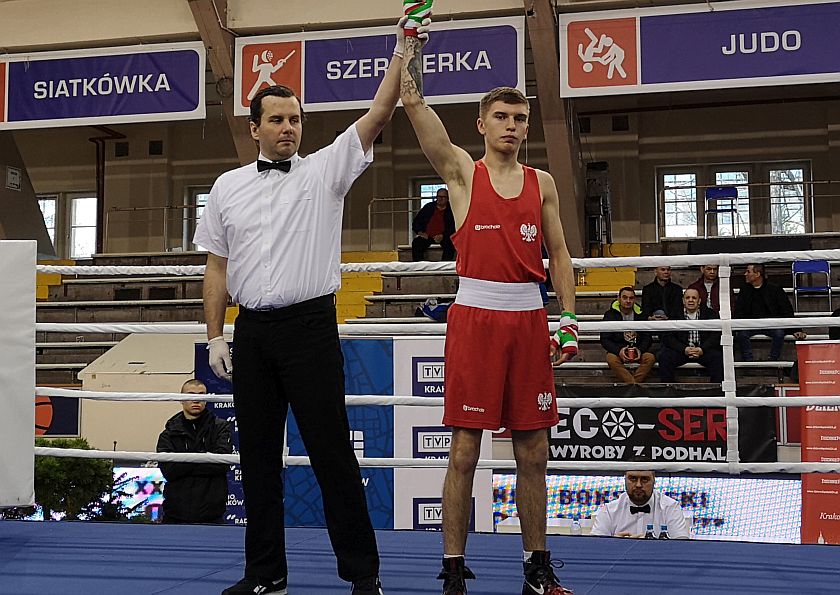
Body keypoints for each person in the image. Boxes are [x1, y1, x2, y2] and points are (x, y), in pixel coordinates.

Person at [194, 17, 429, 595]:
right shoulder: (226, 187)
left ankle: (363, 574)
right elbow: (217, 268)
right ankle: (265, 574)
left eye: (295, 119)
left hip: (310, 328)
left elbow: (377, 115)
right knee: (257, 461)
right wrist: (215, 336)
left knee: (331, 455)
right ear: (255, 129)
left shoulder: (324, 171)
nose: (289, 128)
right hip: (251, 333)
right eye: (277, 119)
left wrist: (403, 52)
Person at [400, 34, 577, 595]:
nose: (512, 126)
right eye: (501, 116)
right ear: (482, 124)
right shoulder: (460, 172)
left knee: (534, 450)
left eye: (520, 118)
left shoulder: (542, 183)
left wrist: (568, 317)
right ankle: (453, 568)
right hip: (475, 316)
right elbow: (414, 106)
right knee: (465, 450)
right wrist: (410, 51)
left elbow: (561, 253)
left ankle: (536, 567)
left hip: (528, 319)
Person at [156, 379, 232, 525]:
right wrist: (205, 457)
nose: (196, 400)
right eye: (191, 394)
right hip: (175, 514)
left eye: (201, 395)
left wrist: (185, 460)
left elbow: (222, 464)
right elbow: (169, 470)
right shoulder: (168, 434)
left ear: (207, 398)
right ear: (181, 399)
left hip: (212, 514)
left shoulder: (220, 428)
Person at [590, 468, 689, 539]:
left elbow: (681, 547)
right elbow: (595, 547)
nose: (638, 485)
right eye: (633, 478)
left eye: (644, 479)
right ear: (624, 479)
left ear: (654, 480)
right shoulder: (609, 510)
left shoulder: (670, 507)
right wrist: (614, 543)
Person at [734, 263, 806, 361]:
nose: (745, 274)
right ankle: (748, 361)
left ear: (757, 274)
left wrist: (795, 329)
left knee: (779, 334)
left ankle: (773, 359)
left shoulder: (775, 289)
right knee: (742, 334)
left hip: (771, 325)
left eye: (748, 272)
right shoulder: (744, 290)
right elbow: (738, 311)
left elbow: (786, 309)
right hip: (750, 325)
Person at [658, 288, 724, 383]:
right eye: (687, 297)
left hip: (703, 350)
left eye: (694, 298)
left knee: (718, 357)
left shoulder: (710, 314)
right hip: (682, 350)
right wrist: (684, 349)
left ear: (699, 301)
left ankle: (716, 392)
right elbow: (668, 337)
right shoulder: (674, 314)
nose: (691, 300)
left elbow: (715, 336)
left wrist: (702, 349)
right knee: (665, 357)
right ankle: (668, 392)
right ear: (683, 301)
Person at [600, 287, 655, 384]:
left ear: (634, 299)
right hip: (618, 350)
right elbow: (605, 339)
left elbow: (647, 337)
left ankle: (632, 385)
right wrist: (619, 350)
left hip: (638, 349)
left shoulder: (641, 315)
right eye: (625, 298)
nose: (628, 301)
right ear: (618, 298)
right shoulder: (610, 315)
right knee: (611, 359)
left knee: (650, 358)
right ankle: (634, 385)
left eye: (631, 298)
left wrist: (640, 350)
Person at [412, 187, 455, 261]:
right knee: (416, 243)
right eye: (438, 196)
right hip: (427, 236)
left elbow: (454, 227)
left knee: (450, 245)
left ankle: (444, 267)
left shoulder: (451, 210)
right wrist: (420, 232)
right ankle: (419, 267)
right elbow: (416, 222)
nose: (440, 199)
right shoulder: (428, 207)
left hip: (444, 237)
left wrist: (443, 235)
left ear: (448, 198)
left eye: (443, 197)